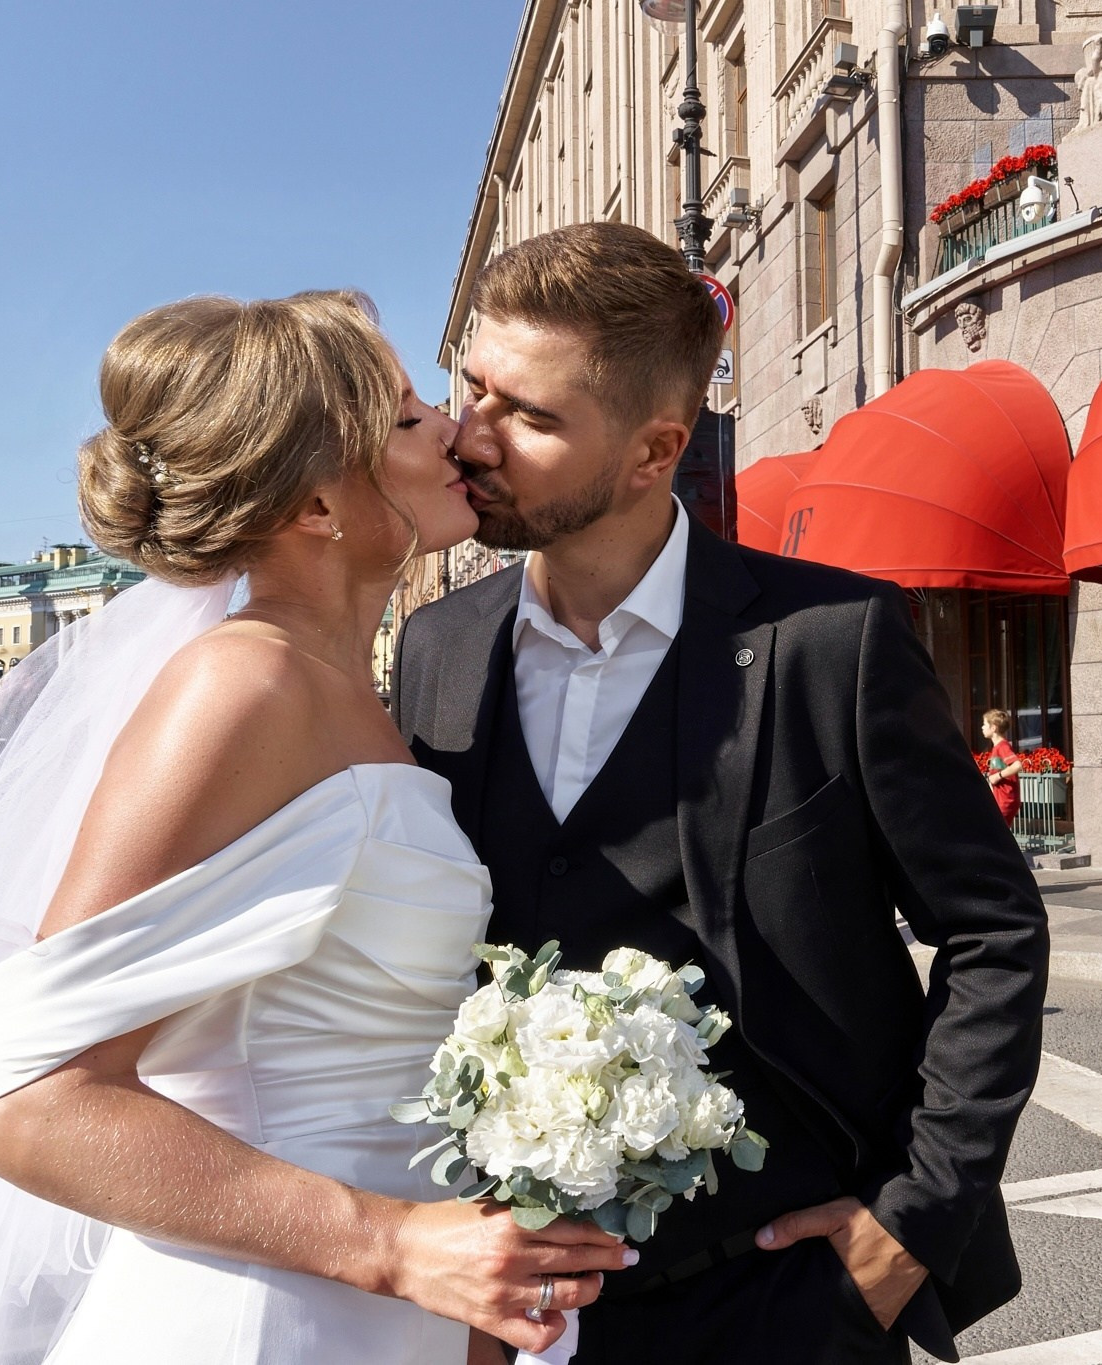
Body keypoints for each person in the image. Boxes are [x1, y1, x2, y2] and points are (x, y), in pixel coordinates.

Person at [0, 293, 630, 1365]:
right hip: (266, 1316)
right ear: (316, 505)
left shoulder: (338, 689)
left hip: (386, 1313)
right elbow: (34, 1105)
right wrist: (389, 1243)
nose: (454, 429)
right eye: (407, 418)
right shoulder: (239, 688)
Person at [393, 222, 1049, 1365]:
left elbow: (992, 930)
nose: (473, 437)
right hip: (517, 1304)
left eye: (529, 417)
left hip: (782, 1298)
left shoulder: (830, 640)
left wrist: (913, 1221)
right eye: (473, 392)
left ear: (654, 452)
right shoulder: (437, 648)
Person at [981, 708, 1024, 823]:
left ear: (993, 728)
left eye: (984, 724)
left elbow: (1017, 765)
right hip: (1000, 799)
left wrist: (997, 776)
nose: (982, 727)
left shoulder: (1002, 746)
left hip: (1006, 800)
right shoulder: (997, 748)